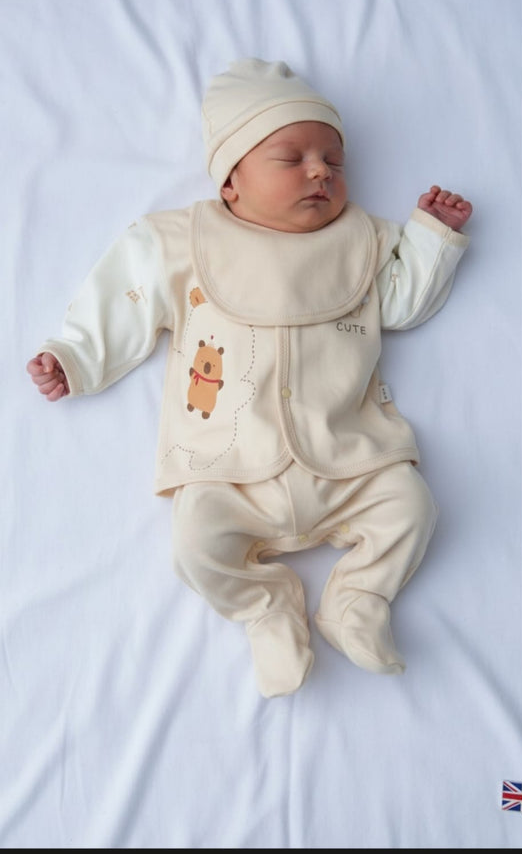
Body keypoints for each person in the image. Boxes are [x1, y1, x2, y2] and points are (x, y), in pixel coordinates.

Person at [27, 58, 472, 698]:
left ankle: (359, 598)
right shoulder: (183, 240)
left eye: (334, 160)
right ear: (231, 182)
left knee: (412, 509)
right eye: (292, 159)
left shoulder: (362, 239)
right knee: (194, 547)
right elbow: (124, 297)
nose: (320, 171)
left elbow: (402, 305)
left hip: (350, 455)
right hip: (226, 465)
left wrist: (431, 238)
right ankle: (266, 609)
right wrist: (75, 355)